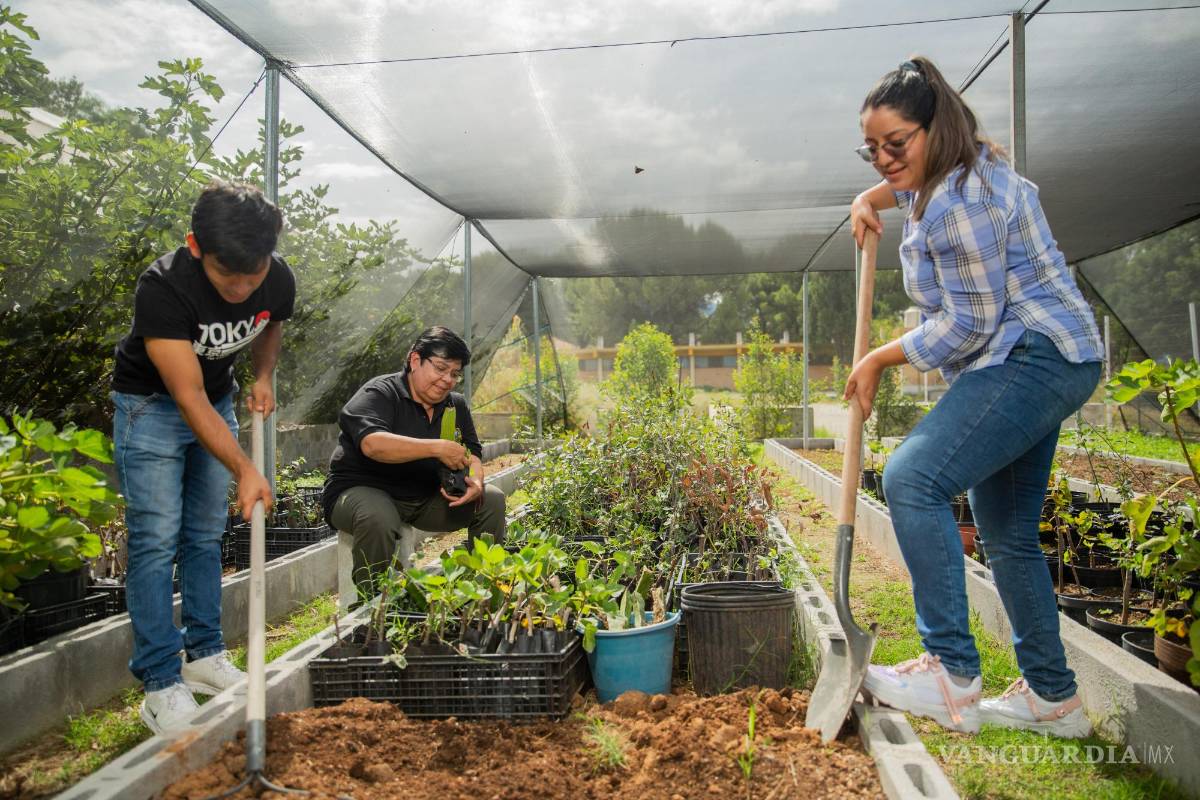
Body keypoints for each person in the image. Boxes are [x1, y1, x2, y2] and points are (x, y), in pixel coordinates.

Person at [845, 57, 1102, 737]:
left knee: (913, 476)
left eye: (896, 144)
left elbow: (969, 323)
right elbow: (904, 192)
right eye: (871, 148)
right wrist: (868, 199)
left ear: (936, 128)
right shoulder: (949, 176)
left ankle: (951, 675)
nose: (883, 159)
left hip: (1029, 355)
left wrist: (880, 358)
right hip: (1052, 354)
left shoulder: (961, 203)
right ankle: (1055, 699)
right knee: (1008, 532)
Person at [111, 180, 294, 734]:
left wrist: (263, 375)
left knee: (204, 534)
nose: (241, 288)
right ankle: (161, 684)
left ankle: (205, 655)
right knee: (156, 539)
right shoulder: (162, 288)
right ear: (195, 246)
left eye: (253, 273)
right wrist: (245, 468)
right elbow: (185, 396)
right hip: (153, 408)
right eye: (226, 275)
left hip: (214, 401)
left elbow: (270, 322)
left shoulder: (276, 276)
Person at [323, 326, 506, 597]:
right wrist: (437, 448)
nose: (447, 380)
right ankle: (375, 608)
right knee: (378, 516)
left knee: (491, 499)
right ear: (415, 360)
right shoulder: (381, 393)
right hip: (360, 492)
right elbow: (372, 444)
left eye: (454, 374)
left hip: (423, 498)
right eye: (441, 368)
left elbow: (473, 452)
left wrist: (476, 481)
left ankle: (481, 593)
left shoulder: (454, 406)